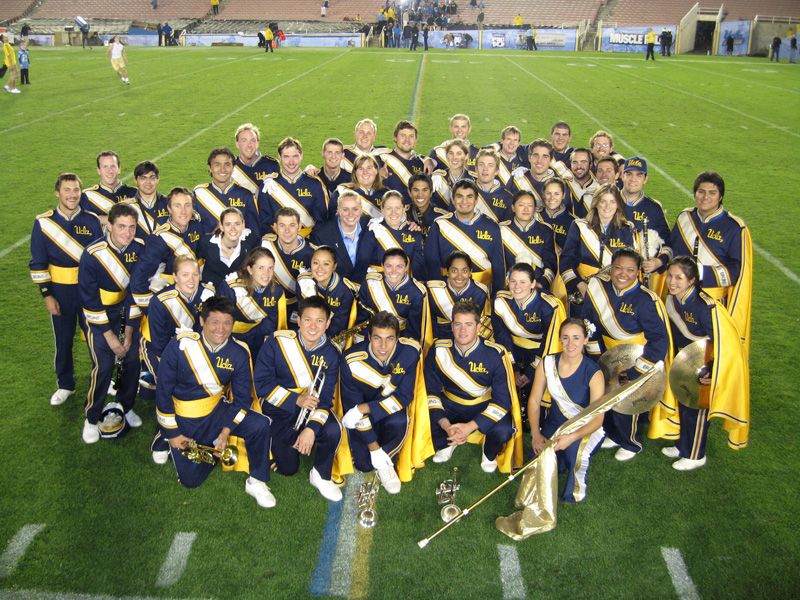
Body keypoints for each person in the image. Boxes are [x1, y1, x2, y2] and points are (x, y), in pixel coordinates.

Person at [156, 296, 275, 507]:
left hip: (215, 410)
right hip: (184, 417)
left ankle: (257, 480)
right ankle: (165, 438)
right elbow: (163, 393)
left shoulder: (238, 352)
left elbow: (242, 400)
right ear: (202, 321)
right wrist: (173, 433)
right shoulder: (180, 345)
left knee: (260, 424)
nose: (221, 329)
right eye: (215, 322)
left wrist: (226, 430)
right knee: (191, 481)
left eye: (227, 323)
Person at [582, 248, 672, 461]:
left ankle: (631, 443)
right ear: (610, 269)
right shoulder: (598, 288)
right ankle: (614, 434)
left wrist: (638, 368)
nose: (623, 274)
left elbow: (660, 339)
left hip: (634, 355)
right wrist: (597, 356)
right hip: (605, 350)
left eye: (630, 270)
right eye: (618, 268)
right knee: (606, 395)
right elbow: (588, 321)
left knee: (627, 399)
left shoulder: (646, 299)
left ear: (639, 272)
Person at [661, 256, 749, 471]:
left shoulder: (706, 307)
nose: (672, 281)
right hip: (682, 361)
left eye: (679, 278)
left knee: (697, 410)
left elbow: (723, 342)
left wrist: (710, 369)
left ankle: (696, 455)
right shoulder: (672, 299)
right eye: (670, 276)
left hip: (703, 364)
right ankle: (683, 446)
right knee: (684, 404)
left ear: (692, 280)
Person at [254, 296, 344, 502]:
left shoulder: (331, 354)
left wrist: (311, 429)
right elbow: (262, 384)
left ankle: (320, 474)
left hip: (312, 406)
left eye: (320, 321)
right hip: (279, 407)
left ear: (328, 323)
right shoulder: (277, 341)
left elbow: (326, 399)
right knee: (288, 468)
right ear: (299, 320)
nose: (313, 326)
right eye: (308, 320)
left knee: (332, 429)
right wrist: (296, 400)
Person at [30, 173, 104, 406]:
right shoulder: (44, 222)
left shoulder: (91, 220)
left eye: (76, 190)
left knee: (97, 338)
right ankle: (65, 384)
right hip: (60, 293)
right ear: (57, 193)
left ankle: (101, 378)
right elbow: (38, 262)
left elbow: (100, 258)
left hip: (88, 291)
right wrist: (47, 295)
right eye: (67, 190)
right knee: (64, 341)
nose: (72, 195)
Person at [424, 299, 521, 472]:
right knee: (422, 420)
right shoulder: (438, 349)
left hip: (483, 404)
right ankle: (449, 440)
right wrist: (445, 424)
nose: (462, 330)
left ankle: (489, 450)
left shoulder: (496, 353)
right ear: (451, 326)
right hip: (451, 404)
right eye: (458, 324)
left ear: (478, 327)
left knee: (504, 430)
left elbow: (503, 401)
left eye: (468, 324)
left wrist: (470, 427)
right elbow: (431, 393)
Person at [340, 311, 432, 493]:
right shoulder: (350, 360)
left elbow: (405, 397)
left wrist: (365, 407)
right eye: (377, 338)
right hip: (361, 415)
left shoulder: (410, 353)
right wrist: (374, 449)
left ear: (398, 338)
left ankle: (386, 465)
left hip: (388, 409)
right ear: (368, 337)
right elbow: (353, 408)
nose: (383, 346)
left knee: (400, 421)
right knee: (364, 465)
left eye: (389, 339)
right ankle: (378, 453)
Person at [78, 203, 145, 444]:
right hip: (99, 316)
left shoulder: (139, 248)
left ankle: (125, 406)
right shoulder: (92, 253)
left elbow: (136, 292)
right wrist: (110, 337)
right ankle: (91, 416)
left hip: (127, 312)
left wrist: (128, 334)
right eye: (121, 227)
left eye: (132, 227)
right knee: (104, 366)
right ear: (109, 226)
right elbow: (89, 299)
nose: (127, 232)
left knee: (132, 360)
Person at [670, 170, 752, 353]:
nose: (705, 197)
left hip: (711, 302)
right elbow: (672, 248)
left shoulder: (735, 227)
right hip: (679, 299)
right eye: (701, 191)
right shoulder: (685, 217)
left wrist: (699, 272)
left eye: (712, 192)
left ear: (720, 196)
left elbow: (737, 271)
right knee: (679, 351)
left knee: (710, 354)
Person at [144, 256, 214, 464]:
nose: (191, 279)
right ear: (174, 277)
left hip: (192, 353)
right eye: (185, 275)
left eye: (195, 274)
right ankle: (161, 439)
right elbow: (159, 343)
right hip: (161, 352)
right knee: (168, 391)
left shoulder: (207, 294)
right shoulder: (160, 301)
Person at [528, 318, 606, 502]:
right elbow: (534, 400)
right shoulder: (547, 363)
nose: (570, 344)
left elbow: (598, 419)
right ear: (560, 339)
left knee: (574, 454)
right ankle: (559, 460)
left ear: (586, 340)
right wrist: (536, 435)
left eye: (576, 338)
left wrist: (572, 437)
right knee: (536, 457)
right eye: (566, 338)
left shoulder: (594, 372)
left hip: (584, 428)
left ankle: (572, 490)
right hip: (554, 424)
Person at [492, 262, 565, 406]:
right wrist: (512, 367)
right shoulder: (500, 301)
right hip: (513, 349)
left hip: (540, 353)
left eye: (522, 282)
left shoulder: (549, 305)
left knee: (536, 388)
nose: (517, 287)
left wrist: (532, 370)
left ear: (533, 284)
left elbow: (550, 342)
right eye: (513, 281)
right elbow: (502, 336)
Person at [559, 184, 638, 311]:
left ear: (618, 204)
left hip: (615, 292)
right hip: (583, 290)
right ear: (596, 203)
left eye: (612, 202)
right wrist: (581, 287)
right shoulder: (579, 226)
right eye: (603, 201)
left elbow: (633, 265)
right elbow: (566, 263)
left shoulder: (627, 229)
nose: (608, 206)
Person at [425, 179, 506, 294]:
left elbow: (499, 266)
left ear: (476, 199)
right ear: (452, 200)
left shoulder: (492, 226)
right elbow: (432, 263)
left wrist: (498, 295)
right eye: (459, 196)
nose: (464, 201)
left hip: (482, 292)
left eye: (469, 197)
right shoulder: (439, 224)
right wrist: (438, 293)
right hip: (447, 292)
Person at [130, 187, 203, 312]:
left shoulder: (196, 226)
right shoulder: (158, 239)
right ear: (169, 209)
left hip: (191, 294)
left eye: (187, 205)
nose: (183, 212)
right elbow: (138, 280)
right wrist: (154, 309)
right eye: (177, 206)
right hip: (168, 298)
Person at [217, 247, 287, 358]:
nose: (267, 273)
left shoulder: (276, 291)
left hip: (255, 338)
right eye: (261, 268)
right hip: (228, 337)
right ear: (249, 269)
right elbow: (219, 321)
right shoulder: (231, 289)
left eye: (270, 268)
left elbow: (268, 323)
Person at [619, 157, 672, 294]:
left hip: (640, 278)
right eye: (629, 174)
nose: (633, 179)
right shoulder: (609, 202)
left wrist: (659, 262)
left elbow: (668, 242)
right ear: (622, 176)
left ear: (645, 179)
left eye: (639, 175)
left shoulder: (653, 208)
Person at [358, 248, 431, 347]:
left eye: (399, 266)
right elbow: (362, 317)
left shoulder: (416, 291)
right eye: (389, 266)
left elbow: (414, 329)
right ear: (382, 265)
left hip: (400, 339)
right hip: (372, 337)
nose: (394, 271)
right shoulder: (370, 283)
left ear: (406, 267)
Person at [258, 137, 329, 236]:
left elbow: (321, 221)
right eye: (286, 157)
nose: (291, 162)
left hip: (308, 242)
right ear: (280, 157)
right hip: (277, 242)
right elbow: (265, 221)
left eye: (295, 156)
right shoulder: (269, 184)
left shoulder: (314, 184)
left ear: (301, 156)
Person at [260, 207, 314, 325]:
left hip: (295, 307)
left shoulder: (311, 254)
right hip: (266, 306)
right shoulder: (264, 246)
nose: (287, 231)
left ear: (299, 227)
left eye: (292, 225)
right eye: (282, 225)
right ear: (275, 227)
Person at [310, 190, 377, 284]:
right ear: (338, 209)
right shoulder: (321, 234)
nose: (350, 214)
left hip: (366, 288)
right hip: (335, 292)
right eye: (345, 209)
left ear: (361, 209)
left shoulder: (370, 225)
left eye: (355, 209)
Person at [296, 245, 358, 341]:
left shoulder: (345, 290)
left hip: (331, 337)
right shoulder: (303, 282)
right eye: (315, 263)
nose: (320, 268)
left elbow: (339, 324)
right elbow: (303, 315)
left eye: (326, 264)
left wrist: (320, 341)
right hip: (307, 333)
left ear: (334, 266)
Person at [194, 147, 260, 237]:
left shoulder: (246, 195)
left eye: (227, 165)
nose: (222, 169)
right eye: (217, 165)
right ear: (210, 168)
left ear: (233, 168)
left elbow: (254, 232)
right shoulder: (198, 194)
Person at [500, 190, 558, 292]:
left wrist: (542, 283)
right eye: (521, 205)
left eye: (530, 205)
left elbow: (551, 262)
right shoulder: (502, 230)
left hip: (538, 286)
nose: (526, 209)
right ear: (513, 207)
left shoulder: (545, 230)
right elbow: (499, 264)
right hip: (509, 287)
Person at [427, 251, 490, 341]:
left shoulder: (480, 292)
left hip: (468, 338)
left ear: (470, 272)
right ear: (447, 271)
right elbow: (428, 322)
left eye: (464, 271)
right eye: (454, 271)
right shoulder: (432, 289)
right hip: (438, 337)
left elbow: (483, 324)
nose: (459, 276)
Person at [197, 207, 259, 288]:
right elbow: (195, 262)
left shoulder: (250, 241)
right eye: (228, 224)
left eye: (237, 224)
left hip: (239, 292)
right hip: (211, 293)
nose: (233, 228)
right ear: (221, 226)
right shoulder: (206, 242)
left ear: (243, 224)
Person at [368, 190, 425, 279]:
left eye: (397, 208)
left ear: (404, 208)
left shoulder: (414, 232)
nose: (393, 213)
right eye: (389, 208)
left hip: (405, 285)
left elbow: (418, 269)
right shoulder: (374, 230)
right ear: (382, 209)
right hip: (378, 284)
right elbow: (362, 262)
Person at [382, 120, 434, 205]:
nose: (407, 140)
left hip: (413, 215)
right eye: (403, 135)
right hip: (388, 213)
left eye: (411, 136)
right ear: (395, 137)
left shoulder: (423, 164)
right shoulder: (381, 159)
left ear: (415, 139)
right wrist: (376, 175)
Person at [80, 151, 138, 224]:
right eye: (105, 167)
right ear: (99, 171)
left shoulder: (134, 193)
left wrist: (101, 219)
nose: (109, 171)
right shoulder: (87, 196)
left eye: (113, 166)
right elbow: (85, 221)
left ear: (119, 169)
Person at [231, 123, 279, 199]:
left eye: (252, 141)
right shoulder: (230, 166)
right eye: (244, 141)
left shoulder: (271, 165)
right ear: (237, 144)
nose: (249, 145)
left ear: (257, 143)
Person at [332, 154, 386, 219]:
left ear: (376, 170)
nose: (365, 172)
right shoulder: (341, 191)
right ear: (355, 172)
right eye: (361, 169)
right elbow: (332, 222)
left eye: (369, 168)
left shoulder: (387, 195)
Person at [127, 161, 169, 239]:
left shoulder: (169, 203)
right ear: (135, 180)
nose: (148, 182)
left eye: (152, 177)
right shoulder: (126, 207)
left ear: (158, 179)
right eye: (143, 178)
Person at [430, 139, 476, 209]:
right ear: (447, 155)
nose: (454, 158)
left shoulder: (474, 179)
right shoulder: (438, 177)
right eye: (451, 153)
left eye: (459, 153)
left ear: (466, 156)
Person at [510, 139, 556, 205]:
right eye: (536, 155)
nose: (539, 160)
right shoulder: (516, 180)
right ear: (529, 158)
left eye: (545, 156)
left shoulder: (559, 184)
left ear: (551, 161)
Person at [473, 149, 513, 222]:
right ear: (476, 169)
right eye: (481, 164)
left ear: (497, 171)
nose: (485, 169)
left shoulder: (507, 198)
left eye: (490, 165)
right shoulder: (465, 192)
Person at [407, 172, 449, 240]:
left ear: (431, 192)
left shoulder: (442, 216)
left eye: (424, 190)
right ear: (409, 192)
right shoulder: (402, 214)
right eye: (416, 190)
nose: (420, 194)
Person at [566, 148, 598, 218]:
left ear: (590, 165)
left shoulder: (599, 189)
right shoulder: (563, 185)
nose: (579, 166)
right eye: (575, 162)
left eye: (583, 162)